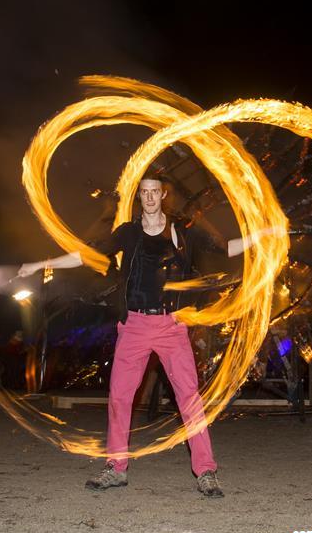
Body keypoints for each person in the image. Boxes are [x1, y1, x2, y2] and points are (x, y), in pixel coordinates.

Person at [19, 176, 280, 498]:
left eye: (155, 191)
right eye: (144, 192)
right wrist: (39, 264)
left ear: (163, 195)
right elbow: (87, 255)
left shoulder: (182, 231)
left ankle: (206, 470)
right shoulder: (127, 233)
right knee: (119, 398)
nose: (150, 197)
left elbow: (226, 247)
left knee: (190, 399)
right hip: (134, 327)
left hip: (171, 326)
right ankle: (116, 468)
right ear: (139, 197)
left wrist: (263, 235)